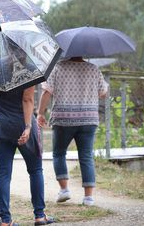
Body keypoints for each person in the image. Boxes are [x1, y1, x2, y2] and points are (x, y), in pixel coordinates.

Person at [37, 57, 109, 207]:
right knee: (86, 156)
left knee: (59, 153)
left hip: (64, 118)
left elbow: (46, 92)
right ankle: (88, 198)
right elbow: (103, 92)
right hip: (88, 118)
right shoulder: (93, 68)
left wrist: (40, 113)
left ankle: (64, 190)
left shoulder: (57, 67)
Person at [0, 85, 54, 226]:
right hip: (23, 123)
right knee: (35, 170)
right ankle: (39, 216)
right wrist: (28, 127)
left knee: (3, 173)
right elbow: (27, 99)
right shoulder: (27, 69)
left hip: (2, 124)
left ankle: (5, 220)